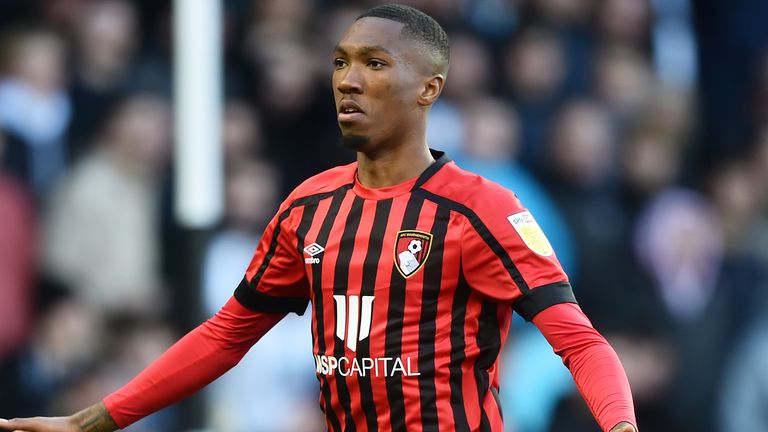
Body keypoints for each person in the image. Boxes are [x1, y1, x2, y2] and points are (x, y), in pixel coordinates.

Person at [0, 5, 638, 432]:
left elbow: (579, 341)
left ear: (430, 89)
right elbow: (226, 336)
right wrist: (97, 419)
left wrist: (620, 427)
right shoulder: (308, 207)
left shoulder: (481, 209)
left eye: (375, 64)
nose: (349, 81)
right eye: (340, 63)